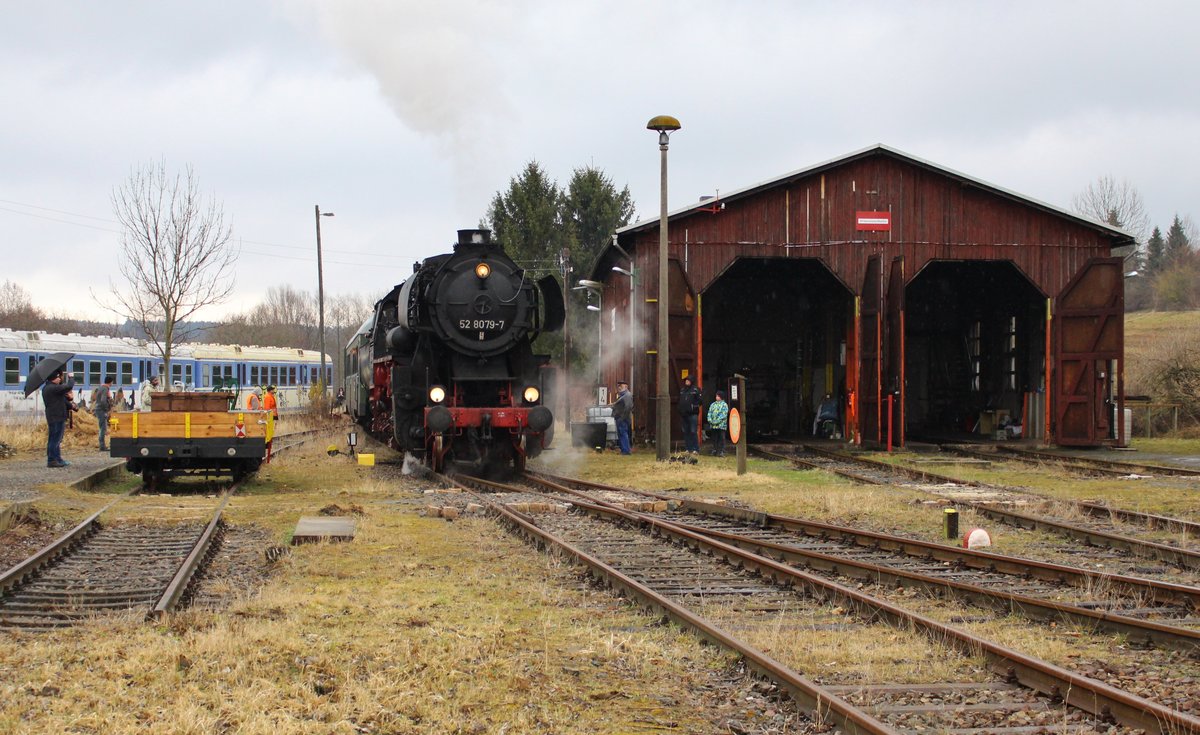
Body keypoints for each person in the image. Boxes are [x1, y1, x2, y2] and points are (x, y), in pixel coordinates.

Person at [42, 369, 75, 468]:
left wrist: (71, 404)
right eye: (58, 377)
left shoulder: (49, 388)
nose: (60, 379)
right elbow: (69, 386)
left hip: (56, 416)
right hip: (56, 416)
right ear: (54, 378)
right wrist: (71, 377)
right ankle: (52, 460)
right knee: (54, 439)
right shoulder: (52, 388)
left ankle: (58, 459)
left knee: (56, 439)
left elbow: (62, 400)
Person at [677, 376, 702, 454]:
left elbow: (700, 401)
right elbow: (680, 400)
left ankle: (696, 449)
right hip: (684, 415)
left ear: (691, 381)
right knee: (686, 432)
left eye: (688, 380)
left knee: (693, 431)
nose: (686, 382)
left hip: (692, 414)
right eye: (686, 380)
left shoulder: (696, 390)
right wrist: (680, 409)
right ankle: (688, 448)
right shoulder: (682, 390)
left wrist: (693, 407)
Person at [609, 380, 633, 455]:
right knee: (621, 434)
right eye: (618, 386)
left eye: (621, 386)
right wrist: (614, 404)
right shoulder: (623, 395)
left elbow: (628, 407)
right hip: (620, 418)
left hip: (622, 418)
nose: (619, 387)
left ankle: (626, 451)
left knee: (623, 434)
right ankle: (623, 450)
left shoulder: (627, 395)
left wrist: (623, 417)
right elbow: (621, 404)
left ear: (626, 387)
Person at [93, 374, 115, 451]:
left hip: (99, 409)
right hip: (101, 410)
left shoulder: (101, 388)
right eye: (112, 382)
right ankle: (102, 446)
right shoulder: (105, 389)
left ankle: (102, 445)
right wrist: (106, 409)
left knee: (102, 427)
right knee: (103, 428)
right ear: (110, 382)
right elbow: (103, 400)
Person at [706, 390, 730, 457]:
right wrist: (710, 420)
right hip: (713, 426)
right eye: (716, 396)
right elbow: (709, 413)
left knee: (721, 438)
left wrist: (716, 421)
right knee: (714, 438)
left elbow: (723, 415)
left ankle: (721, 451)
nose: (716, 397)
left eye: (718, 396)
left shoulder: (724, 405)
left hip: (721, 425)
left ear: (721, 397)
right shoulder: (713, 404)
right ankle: (715, 450)